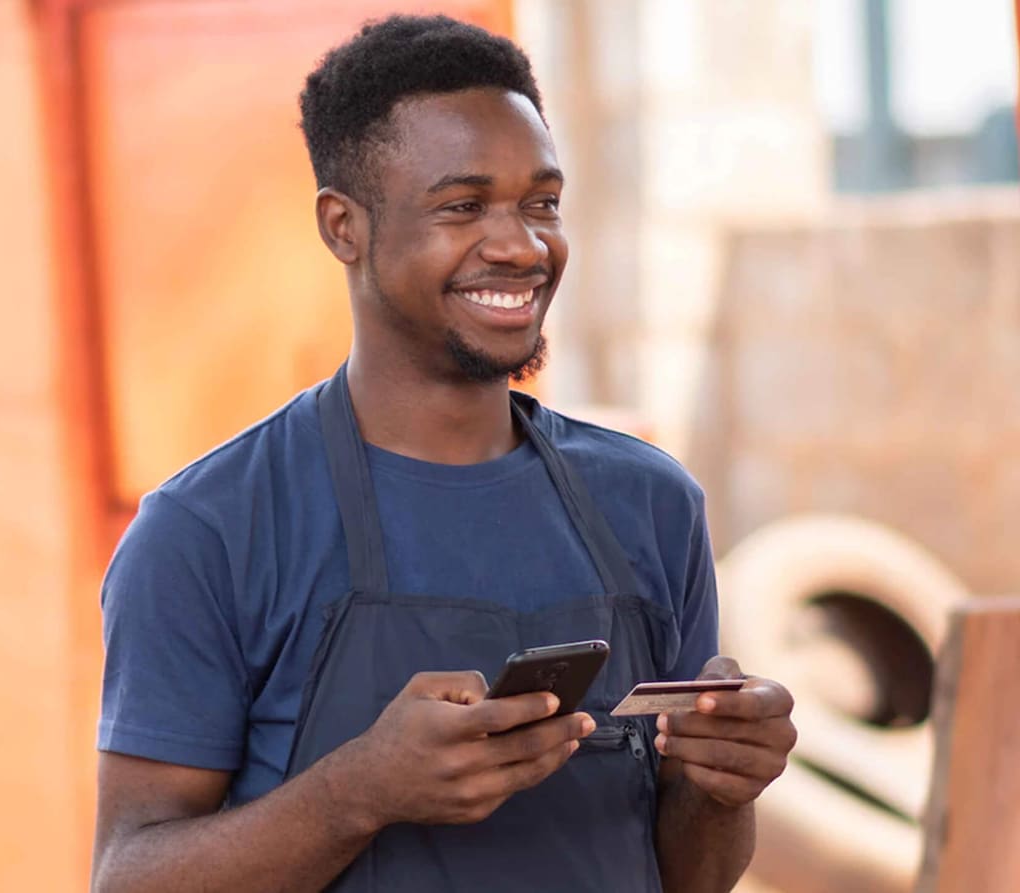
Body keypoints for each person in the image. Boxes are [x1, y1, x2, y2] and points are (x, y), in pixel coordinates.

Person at [89, 15, 797, 893]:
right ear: (343, 226)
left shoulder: (650, 502)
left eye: (541, 203)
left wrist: (722, 785)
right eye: (463, 206)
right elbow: (128, 876)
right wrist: (359, 792)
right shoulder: (208, 528)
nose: (522, 245)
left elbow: (689, 877)